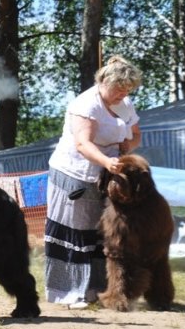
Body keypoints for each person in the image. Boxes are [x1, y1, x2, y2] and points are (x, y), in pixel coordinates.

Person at [44, 55, 142, 309]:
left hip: (107, 176)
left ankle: (99, 291)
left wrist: (127, 146)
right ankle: (69, 293)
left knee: (102, 234)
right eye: (120, 87)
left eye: (128, 89)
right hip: (75, 174)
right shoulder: (86, 104)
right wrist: (106, 161)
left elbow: (136, 135)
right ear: (105, 82)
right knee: (76, 233)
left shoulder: (125, 103)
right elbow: (82, 143)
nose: (124, 92)